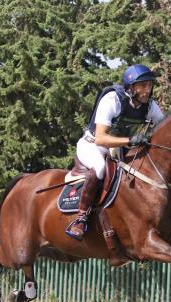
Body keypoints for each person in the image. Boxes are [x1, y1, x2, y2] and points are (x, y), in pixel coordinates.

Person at [65, 64, 165, 241]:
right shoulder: (113, 100)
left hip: (120, 149)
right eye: (143, 86)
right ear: (131, 87)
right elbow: (101, 138)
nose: (147, 90)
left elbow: (164, 128)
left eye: (149, 85)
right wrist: (130, 140)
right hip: (93, 146)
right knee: (100, 168)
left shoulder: (150, 105)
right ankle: (81, 218)